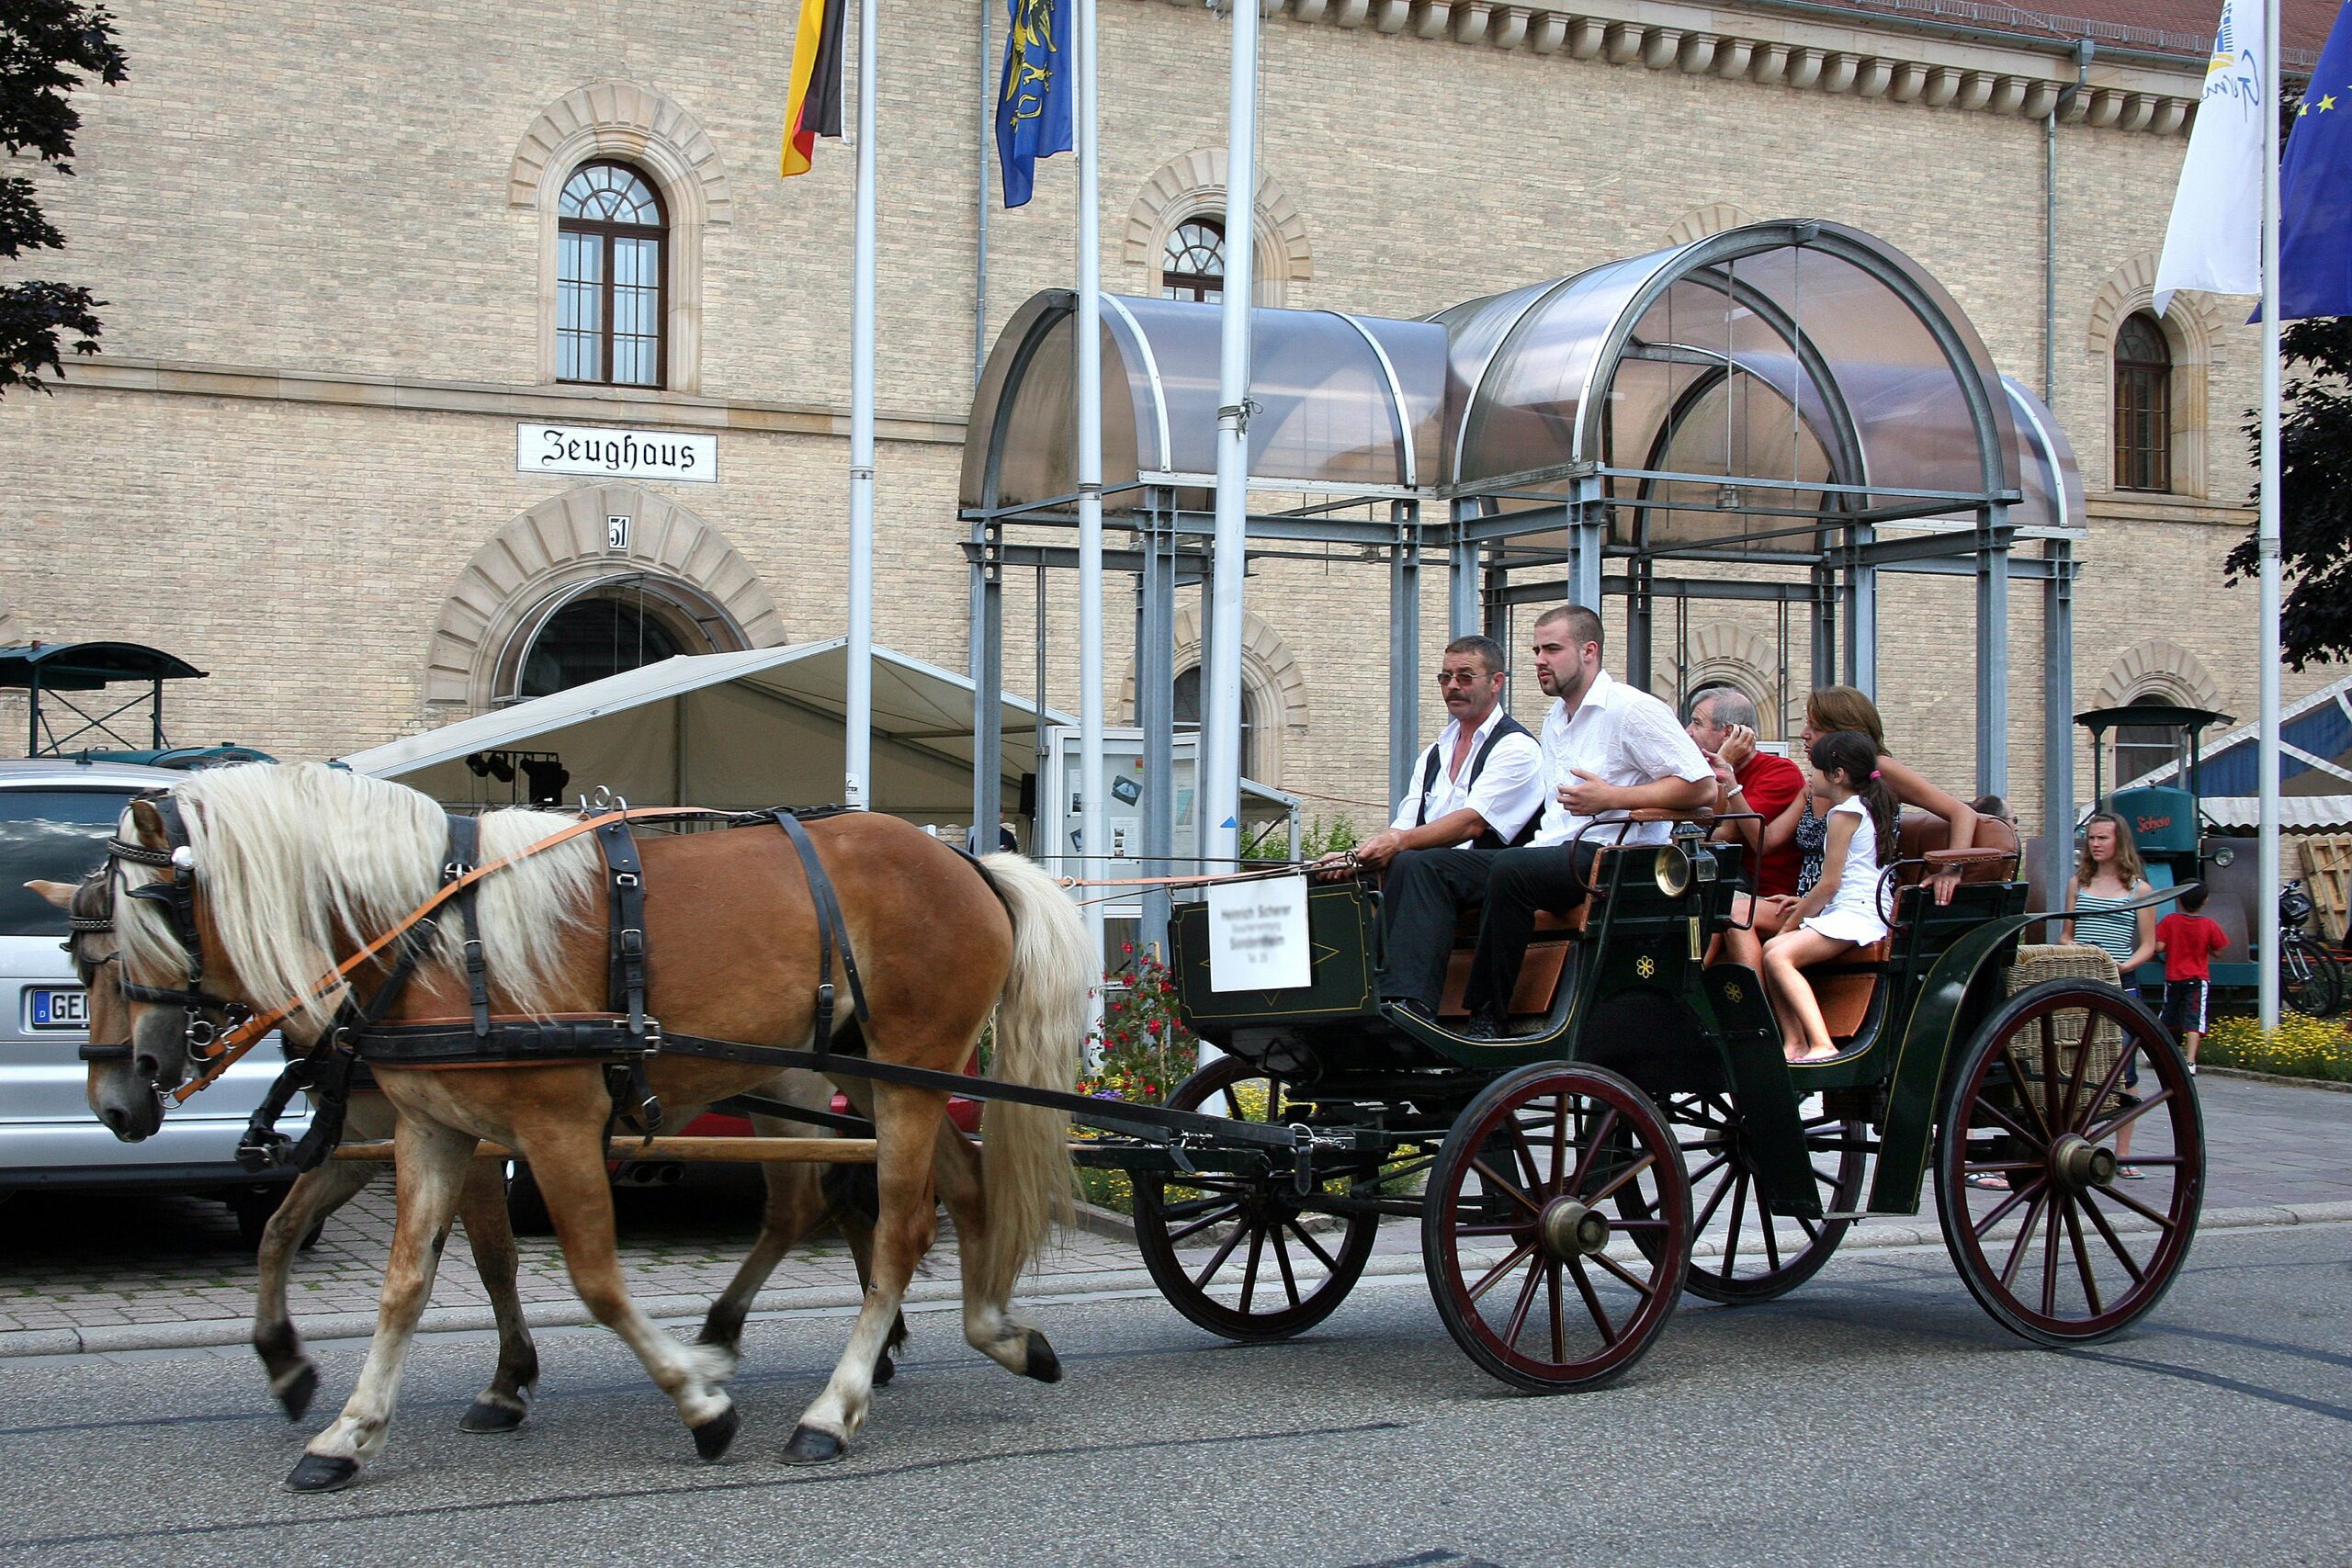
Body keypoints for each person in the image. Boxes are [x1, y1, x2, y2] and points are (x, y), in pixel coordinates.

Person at [1455, 605, 1714, 1039]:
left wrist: (1614, 798)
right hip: (1557, 852)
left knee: (1511, 870)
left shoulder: (1632, 709)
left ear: (1589, 651)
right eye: (1537, 649)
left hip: (1613, 858)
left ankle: (1487, 1015)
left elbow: (1701, 787)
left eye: (1552, 649)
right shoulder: (1555, 719)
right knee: (1425, 867)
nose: (1539, 659)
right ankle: (1414, 1004)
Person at [1716, 683, 1977, 973]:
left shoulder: (1876, 771)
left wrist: (1952, 868)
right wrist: (1730, 783)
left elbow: (1961, 812)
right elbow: (1765, 842)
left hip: (1852, 904)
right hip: (1810, 901)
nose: (1804, 733)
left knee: (1737, 914)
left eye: (1814, 727)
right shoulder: (1818, 782)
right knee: (1726, 911)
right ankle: (1754, 1007)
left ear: (1843, 732)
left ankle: (1761, 1014)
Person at [1356, 636, 1547, 1021]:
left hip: (1498, 875)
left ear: (1497, 682)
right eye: (1445, 677)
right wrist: (1356, 857)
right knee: (1339, 881)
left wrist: (1398, 843)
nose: (1453, 687)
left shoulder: (1517, 747)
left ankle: (1409, 1003)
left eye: (1465, 677)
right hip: (1435, 874)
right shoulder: (1433, 754)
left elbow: (1473, 823)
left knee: (1417, 865)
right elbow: (1405, 827)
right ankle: (1349, 998)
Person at [1760, 731, 1898, 1063]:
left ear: (1837, 776)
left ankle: (1822, 1043)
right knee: (1770, 951)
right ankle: (1794, 1042)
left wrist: (1790, 925)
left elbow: (1829, 884)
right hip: (1856, 906)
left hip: (1856, 912)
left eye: (1815, 769)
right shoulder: (1861, 806)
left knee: (1779, 954)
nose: (1810, 777)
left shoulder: (1844, 813)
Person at [2064, 810, 2159, 1179]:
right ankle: (2080, 1143)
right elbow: (2066, 933)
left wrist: (2122, 966)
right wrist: (2073, 951)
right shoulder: (2079, 882)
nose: (2096, 844)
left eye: (2103, 838)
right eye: (2091, 838)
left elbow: (2148, 945)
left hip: (2119, 982)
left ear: (2119, 842)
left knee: (2124, 1070)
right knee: (2080, 1065)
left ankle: (2123, 1152)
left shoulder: (2140, 890)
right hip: (2083, 978)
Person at [1684, 686, 1805, 897]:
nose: (1688, 731)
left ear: (1729, 733)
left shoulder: (1780, 772)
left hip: (1763, 895)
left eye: (1697, 722)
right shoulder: (1700, 772)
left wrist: (1726, 764)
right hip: (1719, 882)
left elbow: (1722, 835)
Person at [2155, 884, 2227, 1076]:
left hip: (2174, 977)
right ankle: (2190, 1061)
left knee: (2168, 1014)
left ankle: (2159, 1053)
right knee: (2194, 1019)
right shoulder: (2209, 924)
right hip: (2197, 978)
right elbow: (2219, 952)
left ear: (2179, 899)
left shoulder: (2169, 921)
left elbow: (2159, 947)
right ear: (2205, 901)